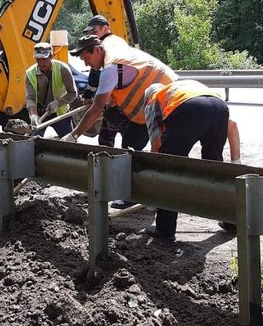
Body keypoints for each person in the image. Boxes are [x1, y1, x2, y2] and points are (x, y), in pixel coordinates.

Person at [141, 80, 230, 241]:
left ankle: (164, 229)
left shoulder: (152, 100)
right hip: (220, 106)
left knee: (169, 167)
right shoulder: (174, 89)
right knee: (215, 168)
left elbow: (156, 144)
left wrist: (154, 173)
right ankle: (232, 221)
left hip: (190, 107)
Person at [81, 15, 131, 149]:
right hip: (121, 96)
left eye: (95, 31)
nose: (93, 35)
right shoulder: (118, 41)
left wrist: (88, 96)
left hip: (119, 99)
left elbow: (96, 72)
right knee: (110, 136)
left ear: (105, 28)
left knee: (112, 137)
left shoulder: (105, 45)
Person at [25, 42, 78, 138]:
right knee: (33, 141)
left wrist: (57, 103)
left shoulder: (63, 69)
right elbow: (31, 97)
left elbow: (73, 93)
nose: (41, 63)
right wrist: (33, 115)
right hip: (41, 112)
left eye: (44, 59)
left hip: (60, 113)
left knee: (68, 140)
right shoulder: (30, 74)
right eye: (38, 59)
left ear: (51, 56)